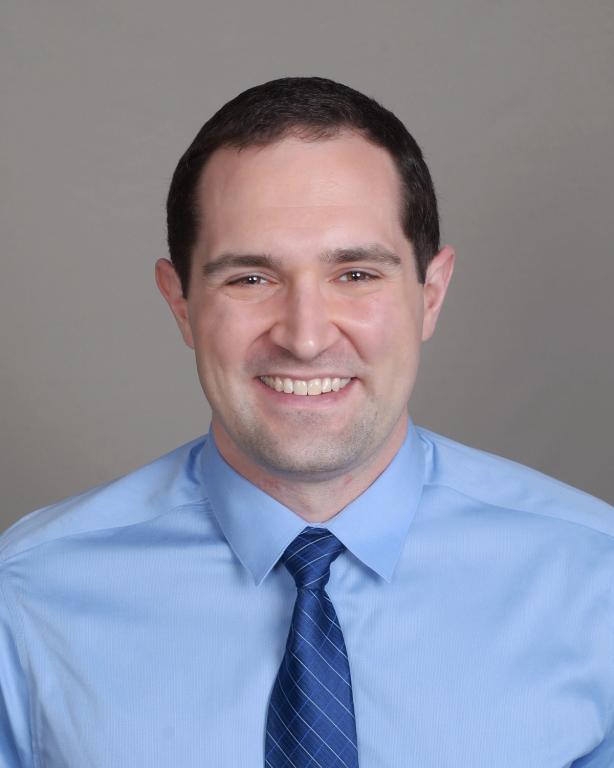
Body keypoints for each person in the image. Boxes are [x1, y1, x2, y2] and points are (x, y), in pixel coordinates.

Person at [0, 77, 612, 767]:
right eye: (250, 279)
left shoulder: (596, 582)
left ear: (430, 295)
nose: (306, 336)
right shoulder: (24, 598)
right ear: (180, 303)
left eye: (356, 274)